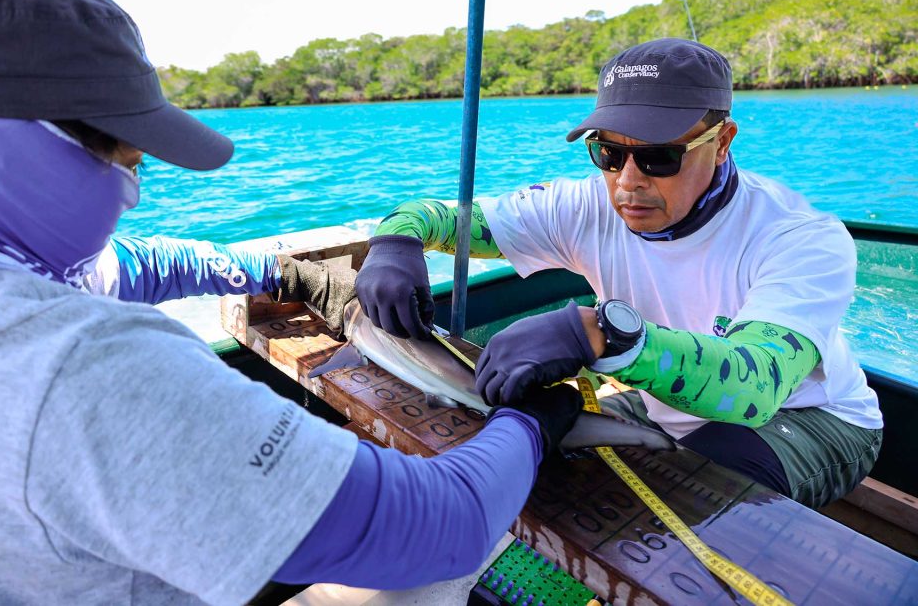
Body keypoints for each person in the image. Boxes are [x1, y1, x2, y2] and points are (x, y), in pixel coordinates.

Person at [0, 0, 586, 604]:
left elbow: (132, 265)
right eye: (125, 157)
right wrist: (527, 424)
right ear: (10, 148)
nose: (133, 186)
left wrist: (285, 272)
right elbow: (443, 524)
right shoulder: (74, 368)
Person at [357, 38, 884, 509]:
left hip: (809, 417)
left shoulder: (799, 236)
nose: (627, 183)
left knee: (690, 501)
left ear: (722, 141)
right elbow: (445, 220)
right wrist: (396, 240)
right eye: (608, 153)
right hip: (665, 408)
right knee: (530, 468)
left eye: (659, 157)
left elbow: (755, 386)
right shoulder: (585, 207)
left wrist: (602, 336)